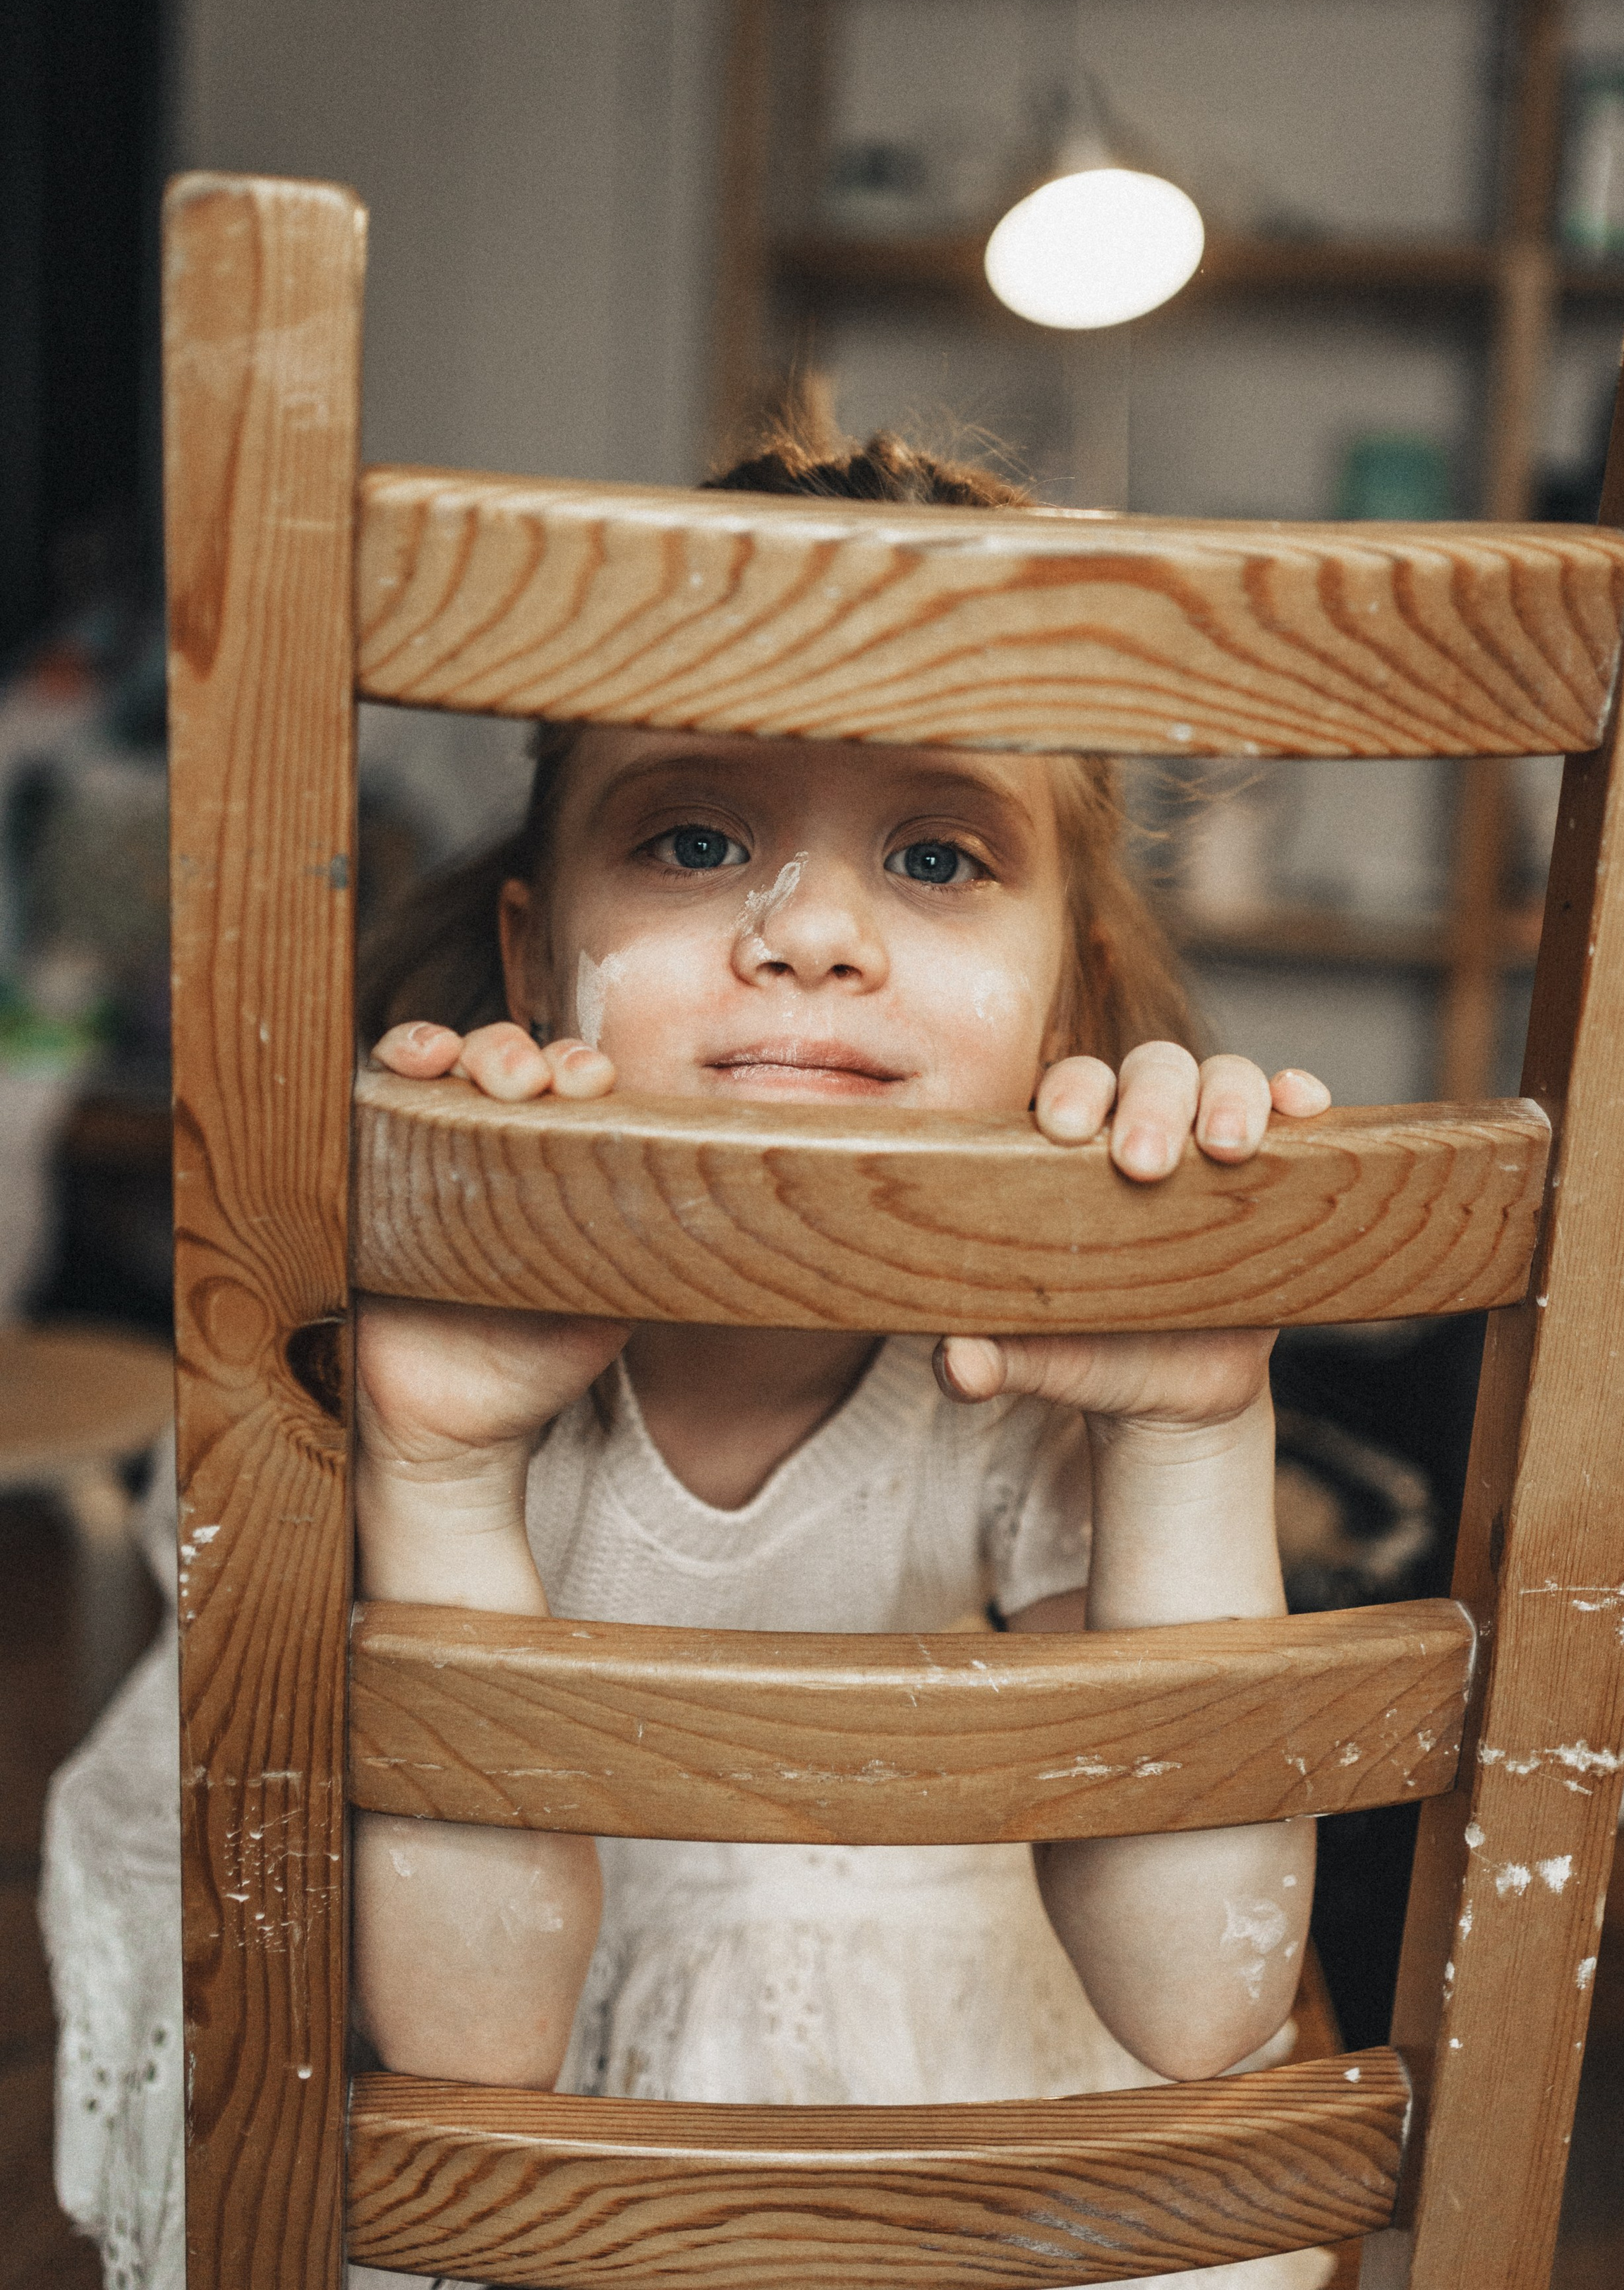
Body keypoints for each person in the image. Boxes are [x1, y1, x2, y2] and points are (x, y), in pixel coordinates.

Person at [43, 427, 1336, 2290]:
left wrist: (1202, 1421)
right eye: (696, 839)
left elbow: (1202, 2002)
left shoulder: (1040, 1389)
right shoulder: (349, 1352)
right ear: (532, 956)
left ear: (1066, 1000)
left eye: (937, 853)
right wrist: (440, 1468)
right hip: (462, 2086)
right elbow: (470, 2052)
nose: (810, 932)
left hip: (920, 2070)